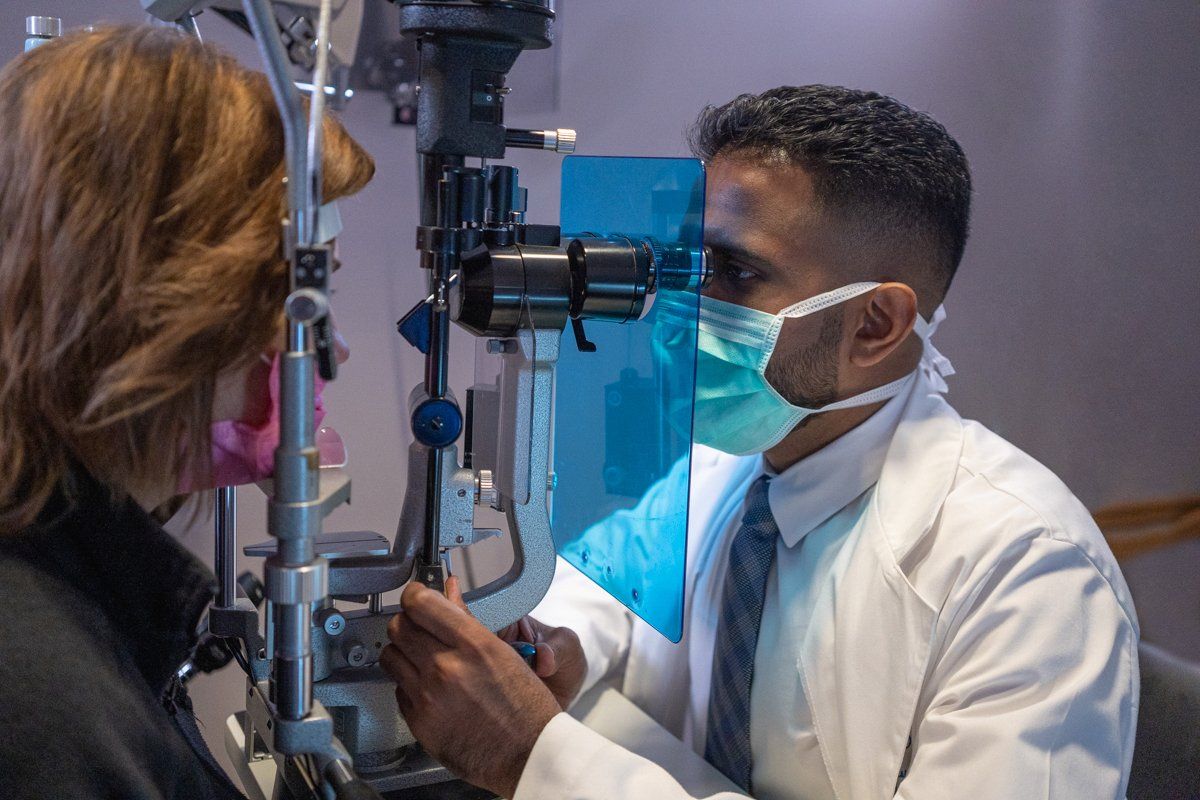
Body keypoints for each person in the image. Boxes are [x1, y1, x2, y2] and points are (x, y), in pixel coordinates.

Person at [380, 86, 1139, 799]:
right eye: (690, 263)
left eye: (736, 273)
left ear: (875, 324)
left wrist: (533, 758)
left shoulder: (1029, 576)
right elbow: (616, 604)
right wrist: (559, 644)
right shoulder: (732, 464)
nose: (680, 308)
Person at [0, 25, 373, 798]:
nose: (330, 349)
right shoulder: (44, 712)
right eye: (304, 300)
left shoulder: (66, 592)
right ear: (173, 308)